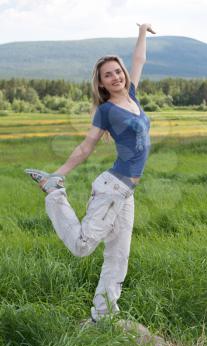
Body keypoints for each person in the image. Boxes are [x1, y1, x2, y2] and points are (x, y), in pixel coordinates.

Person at [25, 23, 156, 322]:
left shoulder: (132, 95)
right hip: (112, 188)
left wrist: (142, 32)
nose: (116, 76)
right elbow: (86, 148)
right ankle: (54, 193)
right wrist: (56, 175)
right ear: (101, 83)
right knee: (83, 246)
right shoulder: (106, 110)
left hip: (127, 193)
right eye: (108, 74)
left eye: (117, 71)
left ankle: (103, 314)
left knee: (119, 255)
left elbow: (139, 61)